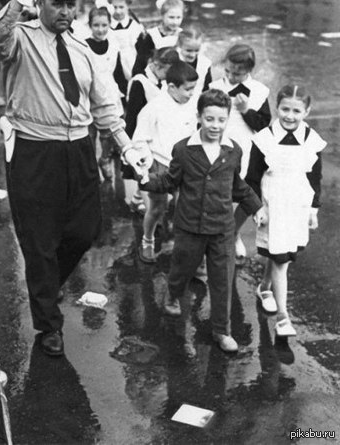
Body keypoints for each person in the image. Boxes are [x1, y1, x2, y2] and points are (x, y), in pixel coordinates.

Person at [0, 0, 147, 357]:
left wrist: (126, 146)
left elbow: (105, 104)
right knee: (39, 239)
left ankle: (46, 282)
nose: (66, 12)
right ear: (41, 3)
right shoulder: (19, 39)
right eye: (57, 3)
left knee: (85, 229)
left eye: (71, 5)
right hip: (35, 152)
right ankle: (48, 324)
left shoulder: (83, 50)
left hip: (78, 149)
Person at [139, 89, 263, 353]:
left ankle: (222, 330)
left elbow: (237, 186)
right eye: (209, 119)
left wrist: (256, 208)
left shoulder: (233, 151)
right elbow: (170, 180)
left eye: (221, 120)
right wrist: (145, 180)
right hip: (190, 227)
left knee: (222, 280)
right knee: (181, 269)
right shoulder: (183, 150)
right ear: (199, 117)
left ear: (228, 119)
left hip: (221, 228)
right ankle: (173, 293)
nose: (215, 126)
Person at [246, 85, 326, 338]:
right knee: (281, 259)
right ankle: (283, 317)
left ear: (307, 111)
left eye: (296, 111)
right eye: (284, 109)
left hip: (298, 204)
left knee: (282, 253)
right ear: (277, 107)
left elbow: (315, 176)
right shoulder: (264, 139)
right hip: (274, 204)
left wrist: (314, 208)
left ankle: (264, 288)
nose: (289, 116)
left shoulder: (311, 139)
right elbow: (252, 177)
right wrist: (257, 207)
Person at [132, 61, 199, 263]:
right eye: (187, 89)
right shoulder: (154, 108)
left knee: (184, 208)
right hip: (159, 165)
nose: (191, 93)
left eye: (193, 89)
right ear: (171, 87)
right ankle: (148, 239)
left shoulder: (192, 106)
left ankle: (183, 246)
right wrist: (147, 163)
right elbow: (139, 139)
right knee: (157, 207)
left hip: (184, 165)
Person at [209, 43, 271, 260]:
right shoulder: (214, 86)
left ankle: (234, 231)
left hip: (249, 148)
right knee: (222, 192)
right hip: (221, 146)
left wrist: (246, 111)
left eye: (238, 73)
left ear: (248, 70)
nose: (232, 76)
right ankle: (224, 234)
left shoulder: (260, 92)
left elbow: (264, 125)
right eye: (228, 71)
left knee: (249, 193)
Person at [123, 47, 179, 210]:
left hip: (157, 133)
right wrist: (130, 144)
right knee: (144, 168)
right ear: (156, 65)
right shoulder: (140, 82)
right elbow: (132, 117)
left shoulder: (161, 83)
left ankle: (137, 198)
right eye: (167, 71)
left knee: (152, 170)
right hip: (141, 133)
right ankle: (142, 206)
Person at [85, 6, 127, 180]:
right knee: (89, 134)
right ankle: (89, 168)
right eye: (96, 25)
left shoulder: (113, 46)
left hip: (108, 95)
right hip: (88, 95)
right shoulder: (84, 46)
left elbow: (117, 72)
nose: (100, 29)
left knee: (108, 134)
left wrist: (124, 94)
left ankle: (104, 158)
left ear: (110, 24)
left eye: (104, 25)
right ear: (90, 25)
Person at [132, 0, 184, 76]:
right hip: (154, 76)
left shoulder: (182, 35)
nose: (175, 22)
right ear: (162, 16)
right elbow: (140, 63)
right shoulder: (152, 35)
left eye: (178, 18)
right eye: (171, 17)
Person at [107, 0, 144, 82]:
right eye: (115, 7)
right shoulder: (105, 26)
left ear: (127, 6)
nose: (118, 11)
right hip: (110, 66)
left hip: (130, 66)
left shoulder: (135, 27)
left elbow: (141, 52)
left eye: (121, 7)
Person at [176, 24, 212, 98]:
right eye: (188, 51)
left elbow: (206, 88)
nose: (192, 55)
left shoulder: (205, 64)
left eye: (196, 50)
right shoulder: (172, 60)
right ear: (179, 45)